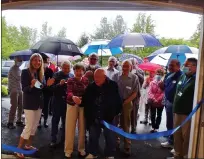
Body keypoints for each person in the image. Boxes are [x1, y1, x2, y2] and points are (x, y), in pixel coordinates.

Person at [15, 53, 52, 158]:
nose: (37, 62)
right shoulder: (25, 72)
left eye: (39, 60)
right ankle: (18, 149)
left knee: (34, 127)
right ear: (31, 61)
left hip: (39, 104)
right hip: (29, 104)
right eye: (35, 60)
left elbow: (41, 88)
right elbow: (24, 89)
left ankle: (28, 145)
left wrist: (47, 85)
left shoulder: (41, 73)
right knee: (28, 126)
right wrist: (31, 85)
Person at [82, 68, 122, 159]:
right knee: (93, 136)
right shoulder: (91, 86)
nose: (96, 79)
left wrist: (115, 113)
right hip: (94, 116)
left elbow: (118, 101)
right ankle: (93, 153)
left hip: (108, 117)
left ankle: (110, 154)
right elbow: (85, 100)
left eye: (99, 77)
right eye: (95, 77)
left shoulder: (113, 85)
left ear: (104, 77)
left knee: (110, 136)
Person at [169, 58, 197, 159]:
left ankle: (185, 155)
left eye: (187, 65)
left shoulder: (197, 81)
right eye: (184, 65)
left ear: (194, 67)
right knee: (177, 134)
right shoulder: (182, 77)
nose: (184, 67)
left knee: (186, 137)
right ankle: (177, 154)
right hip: (177, 111)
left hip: (187, 113)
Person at [112, 60, 140, 156]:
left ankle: (127, 145)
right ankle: (116, 142)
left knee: (126, 124)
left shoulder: (134, 78)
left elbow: (135, 93)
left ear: (131, 67)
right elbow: (112, 89)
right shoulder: (116, 76)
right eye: (123, 65)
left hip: (127, 103)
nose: (125, 68)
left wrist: (125, 102)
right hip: (116, 102)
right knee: (115, 123)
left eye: (127, 66)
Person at [64, 63, 89, 158]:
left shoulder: (86, 80)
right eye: (76, 70)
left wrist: (83, 99)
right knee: (70, 127)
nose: (79, 72)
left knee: (82, 128)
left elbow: (87, 93)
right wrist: (73, 97)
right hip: (71, 105)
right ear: (73, 71)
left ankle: (81, 149)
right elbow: (69, 92)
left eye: (81, 70)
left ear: (83, 71)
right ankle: (68, 150)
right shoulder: (70, 80)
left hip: (83, 106)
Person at [48, 61, 74, 147]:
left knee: (65, 122)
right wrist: (60, 84)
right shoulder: (56, 75)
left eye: (68, 68)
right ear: (61, 67)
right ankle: (53, 139)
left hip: (67, 102)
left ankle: (64, 139)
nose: (66, 69)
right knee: (55, 120)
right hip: (57, 101)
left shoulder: (71, 76)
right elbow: (51, 89)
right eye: (64, 68)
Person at [161, 59, 182, 149]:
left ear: (178, 66)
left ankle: (172, 142)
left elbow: (179, 91)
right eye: (169, 65)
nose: (170, 67)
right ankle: (170, 137)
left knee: (174, 123)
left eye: (172, 65)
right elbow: (165, 86)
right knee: (169, 121)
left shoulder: (181, 76)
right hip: (167, 101)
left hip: (174, 103)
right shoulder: (169, 74)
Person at [7, 57, 24, 129]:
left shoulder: (19, 69)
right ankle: (10, 122)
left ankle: (18, 120)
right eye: (19, 60)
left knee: (21, 106)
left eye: (21, 61)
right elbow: (19, 78)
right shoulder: (13, 69)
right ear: (15, 61)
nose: (20, 62)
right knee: (14, 106)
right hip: (14, 90)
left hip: (20, 89)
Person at [38, 57, 54, 128]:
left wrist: (49, 86)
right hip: (39, 92)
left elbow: (53, 81)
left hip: (48, 92)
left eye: (47, 62)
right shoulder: (38, 70)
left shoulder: (50, 70)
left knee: (46, 107)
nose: (45, 63)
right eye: (44, 61)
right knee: (39, 107)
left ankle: (45, 121)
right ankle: (38, 121)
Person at [129, 58, 144, 133]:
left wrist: (136, 72)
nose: (132, 64)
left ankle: (133, 127)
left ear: (136, 64)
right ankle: (125, 126)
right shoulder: (126, 70)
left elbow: (142, 80)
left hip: (136, 95)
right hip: (127, 94)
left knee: (134, 112)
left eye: (133, 63)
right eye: (131, 63)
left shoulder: (140, 71)